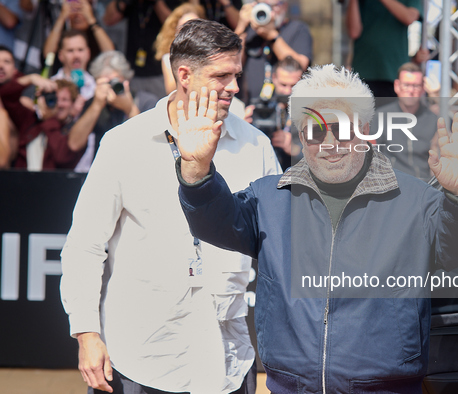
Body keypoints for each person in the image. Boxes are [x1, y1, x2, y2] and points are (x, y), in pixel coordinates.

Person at [174, 64, 458, 393]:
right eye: (315, 131)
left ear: (366, 130)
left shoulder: (415, 201)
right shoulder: (269, 198)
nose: (329, 143)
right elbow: (213, 221)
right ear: (301, 136)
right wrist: (197, 172)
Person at [60, 19, 280, 394]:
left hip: (228, 358)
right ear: (184, 75)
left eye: (237, 75)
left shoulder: (256, 145)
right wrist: (86, 333)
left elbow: (276, 248)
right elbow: (85, 245)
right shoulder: (123, 143)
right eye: (221, 76)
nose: (235, 87)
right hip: (138, 356)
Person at [235, 0, 312, 104]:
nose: (268, 10)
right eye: (263, 5)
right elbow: (232, 63)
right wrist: (241, 26)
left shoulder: (298, 29)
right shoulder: (248, 29)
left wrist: (272, 36)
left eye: (273, 6)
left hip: (283, 105)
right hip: (248, 106)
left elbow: (300, 66)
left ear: (284, 6)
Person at [103, 0, 183, 99]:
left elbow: (174, 27)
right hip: (133, 72)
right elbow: (108, 20)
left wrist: (156, 2)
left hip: (159, 71)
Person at [373, 62, 438, 181]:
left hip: (424, 185)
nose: (411, 90)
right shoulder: (380, 116)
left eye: (416, 85)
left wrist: (435, 96)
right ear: (397, 86)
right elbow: (371, 155)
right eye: (406, 85)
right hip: (391, 184)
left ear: (423, 88)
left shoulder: (433, 119)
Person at [346, 0, 421, 97]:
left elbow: (410, 18)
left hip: (394, 72)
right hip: (363, 70)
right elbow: (354, 32)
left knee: (392, 110)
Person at [13, 79, 85, 170]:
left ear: (72, 104)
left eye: (65, 100)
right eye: (54, 98)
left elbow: (62, 158)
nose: (58, 104)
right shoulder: (31, 120)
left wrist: (49, 119)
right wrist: (31, 79)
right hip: (21, 180)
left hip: (53, 183)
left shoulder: (75, 131)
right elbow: (7, 96)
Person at [43, 0, 115, 71]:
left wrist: (91, 19)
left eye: (81, 9)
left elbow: (111, 54)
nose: (77, 15)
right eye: (73, 9)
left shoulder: (97, 36)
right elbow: (48, 54)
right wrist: (61, 17)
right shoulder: (62, 36)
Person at [155, 3, 206, 95]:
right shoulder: (168, 57)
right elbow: (171, 90)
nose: (190, 31)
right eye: (185, 27)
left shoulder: (211, 54)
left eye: (195, 26)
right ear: (176, 31)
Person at [51, 30, 96, 103]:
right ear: (61, 55)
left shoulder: (96, 87)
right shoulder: (51, 86)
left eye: (80, 50)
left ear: (88, 53)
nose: (76, 55)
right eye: (70, 50)